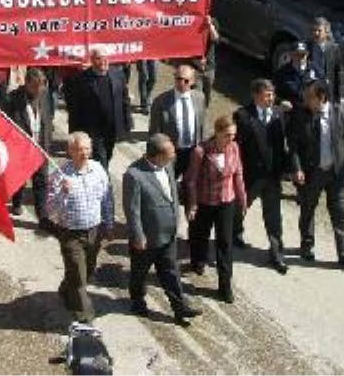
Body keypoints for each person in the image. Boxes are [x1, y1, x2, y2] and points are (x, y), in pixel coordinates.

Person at [122, 134, 203, 326]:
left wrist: (178, 220)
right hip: (147, 238)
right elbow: (132, 210)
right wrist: (138, 235)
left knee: (170, 272)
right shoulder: (134, 175)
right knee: (139, 273)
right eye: (170, 153)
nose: (174, 156)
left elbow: (172, 194)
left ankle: (179, 307)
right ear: (157, 156)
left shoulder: (168, 166)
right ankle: (137, 300)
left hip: (168, 234)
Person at [288, 79, 344, 273]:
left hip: (336, 173)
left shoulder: (340, 111)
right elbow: (293, 147)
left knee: (339, 213)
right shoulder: (300, 115)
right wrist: (296, 168)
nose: (305, 100)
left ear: (321, 97)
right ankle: (307, 245)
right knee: (308, 209)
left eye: (309, 97)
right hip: (312, 173)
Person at [46, 132, 115, 324]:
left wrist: (108, 224)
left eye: (87, 149)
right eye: (79, 150)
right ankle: (85, 317)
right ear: (70, 151)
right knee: (78, 277)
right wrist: (62, 194)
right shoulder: (59, 175)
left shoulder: (98, 169)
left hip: (94, 231)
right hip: (70, 234)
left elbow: (107, 198)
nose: (84, 153)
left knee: (88, 270)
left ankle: (65, 288)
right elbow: (50, 209)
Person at [184, 115, 247, 303]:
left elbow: (238, 175)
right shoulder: (200, 152)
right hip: (204, 201)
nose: (231, 139)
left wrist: (243, 200)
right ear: (217, 133)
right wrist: (193, 204)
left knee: (225, 243)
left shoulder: (234, 148)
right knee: (200, 235)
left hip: (226, 201)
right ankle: (198, 261)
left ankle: (225, 286)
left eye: (233, 135)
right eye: (227, 135)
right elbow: (191, 180)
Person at [232, 79, 289, 272]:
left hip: (273, 175)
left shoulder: (279, 114)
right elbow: (237, 147)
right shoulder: (242, 116)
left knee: (273, 216)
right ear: (255, 95)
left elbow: (282, 145)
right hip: (251, 175)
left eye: (272, 94)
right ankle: (235, 231)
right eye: (267, 95)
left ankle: (276, 252)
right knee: (241, 206)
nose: (271, 98)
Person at [63, 48, 133, 168]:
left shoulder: (118, 74)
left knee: (108, 154)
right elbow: (74, 108)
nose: (103, 61)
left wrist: (128, 121)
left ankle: (99, 175)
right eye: (99, 58)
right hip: (93, 130)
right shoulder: (82, 79)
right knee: (100, 157)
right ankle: (105, 183)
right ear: (92, 60)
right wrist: (74, 131)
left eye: (105, 58)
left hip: (112, 127)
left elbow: (124, 100)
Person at [148, 63, 206, 208]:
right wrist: (154, 155)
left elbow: (202, 125)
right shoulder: (161, 101)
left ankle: (188, 213)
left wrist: (202, 148)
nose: (181, 83)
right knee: (166, 186)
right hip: (170, 153)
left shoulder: (199, 98)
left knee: (190, 187)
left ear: (192, 81)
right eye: (178, 78)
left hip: (192, 151)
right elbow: (154, 133)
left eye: (186, 80)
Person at [5, 68, 53, 227]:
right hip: (21, 148)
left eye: (42, 86)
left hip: (40, 146)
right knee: (20, 179)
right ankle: (17, 202)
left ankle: (43, 217)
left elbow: (47, 118)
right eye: (35, 86)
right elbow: (6, 124)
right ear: (26, 84)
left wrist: (47, 143)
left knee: (42, 182)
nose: (39, 90)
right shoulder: (13, 98)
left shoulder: (45, 94)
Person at [308, 17, 344, 106]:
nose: (316, 33)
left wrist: (341, 98)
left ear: (326, 31)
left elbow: (340, 74)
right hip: (312, 90)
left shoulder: (334, 49)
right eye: (314, 30)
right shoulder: (308, 47)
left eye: (319, 30)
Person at [274, 42, 315, 109]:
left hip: (312, 111)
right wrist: (280, 102)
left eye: (303, 54)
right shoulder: (282, 73)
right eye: (297, 54)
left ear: (307, 54)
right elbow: (273, 94)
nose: (300, 58)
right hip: (290, 111)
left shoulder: (316, 70)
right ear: (290, 55)